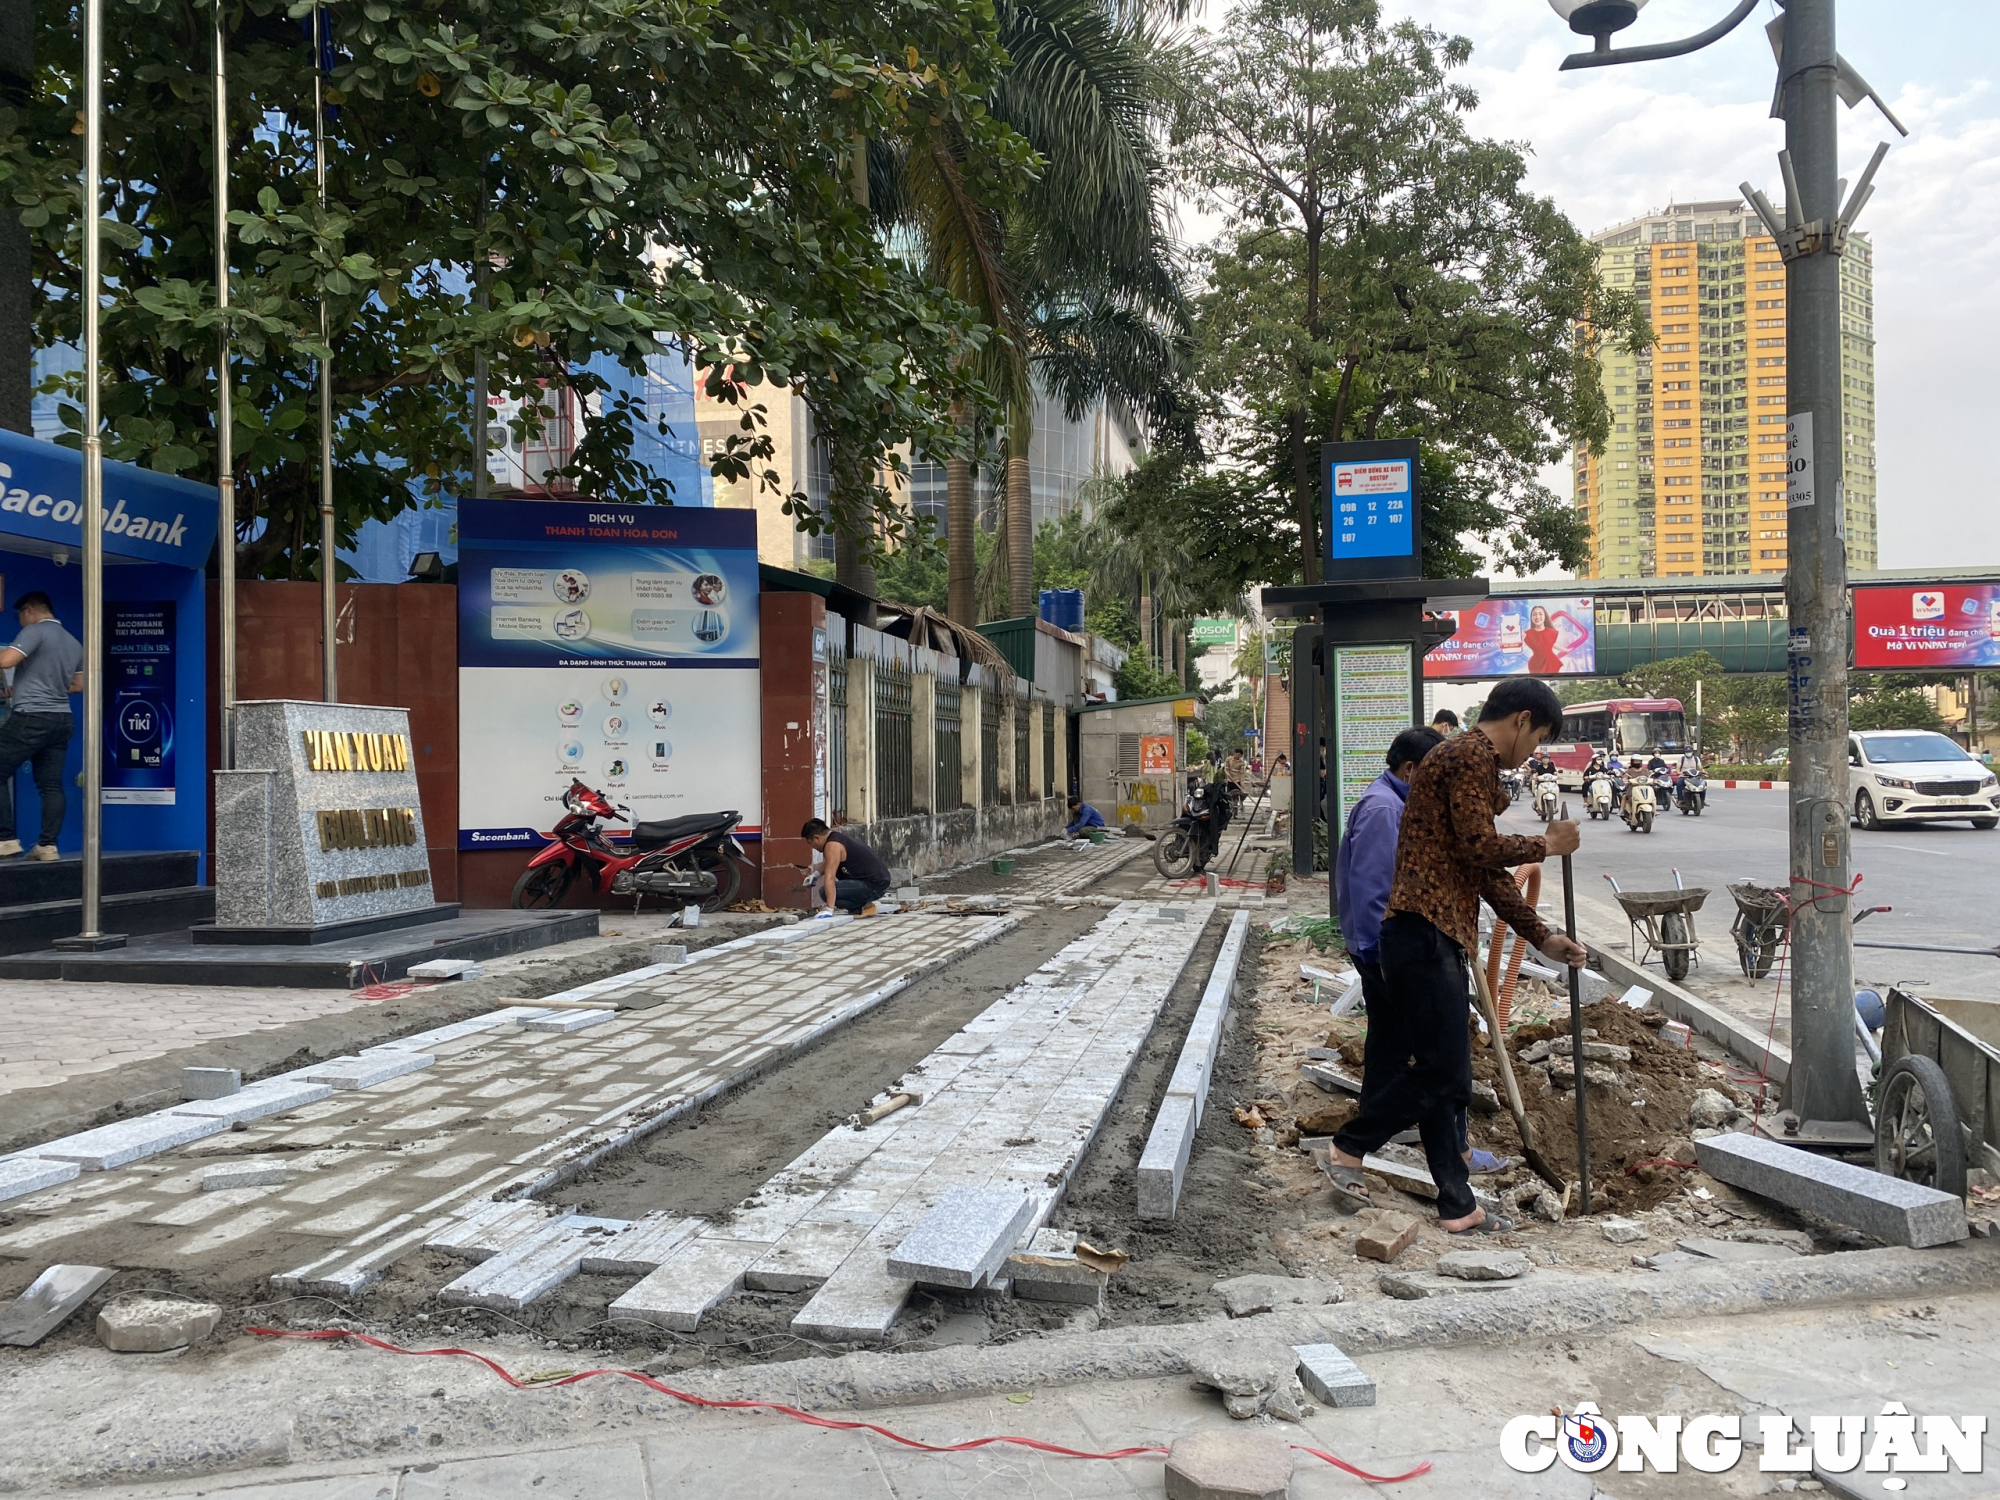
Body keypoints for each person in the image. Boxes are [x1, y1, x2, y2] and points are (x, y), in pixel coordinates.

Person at [1323, 677, 1587, 1236]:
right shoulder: (1470, 754)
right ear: (1520, 720)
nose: (1532, 752)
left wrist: (1540, 936)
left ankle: (1456, 1203)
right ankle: (1351, 1145)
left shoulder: (1463, 760)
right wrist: (1546, 844)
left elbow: (1484, 872)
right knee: (1447, 1072)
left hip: (1433, 935)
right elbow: (1478, 847)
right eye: (1538, 738)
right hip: (1422, 934)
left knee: (1442, 1072)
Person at [1336, 726, 1505, 1177]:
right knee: (1438, 1059)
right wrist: (1389, 960)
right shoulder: (1385, 809)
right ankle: (1378, 1145)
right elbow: (1375, 889)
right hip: (1387, 948)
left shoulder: (1397, 803)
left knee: (1394, 1046)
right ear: (1413, 770)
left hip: (1387, 947)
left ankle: (1377, 1144)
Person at [0, 591, 85, 861]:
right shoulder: (73, 642)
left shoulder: (35, 631)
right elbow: (78, 685)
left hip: (31, 718)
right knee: (50, 785)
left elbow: (6, 661)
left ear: (29, 611)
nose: (21, 623)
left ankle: (5, 840)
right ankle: (48, 846)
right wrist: (30, 688)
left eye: (20, 617)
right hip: (60, 719)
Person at [801, 817, 892, 915]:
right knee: (831, 892)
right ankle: (864, 907)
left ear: (816, 838)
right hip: (880, 882)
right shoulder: (836, 838)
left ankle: (861, 907)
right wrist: (815, 875)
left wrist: (829, 909)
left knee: (824, 892)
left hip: (874, 885)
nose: (813, 847)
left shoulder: (832, 845)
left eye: (811, 843)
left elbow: (830, 878)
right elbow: (830, 861)